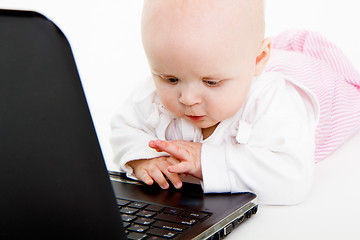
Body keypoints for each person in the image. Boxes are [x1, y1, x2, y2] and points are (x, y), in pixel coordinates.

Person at [110, 0, 360, 205]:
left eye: (211, 82)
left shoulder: (275, 102)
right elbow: (123, 127)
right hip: (237, 61)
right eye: (170, 78)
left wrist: (205, 161)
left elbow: (292, 178)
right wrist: (142, 158)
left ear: (258, 60)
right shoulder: (159, 90)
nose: (187, 99)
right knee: (228, 53)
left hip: (321, 85)